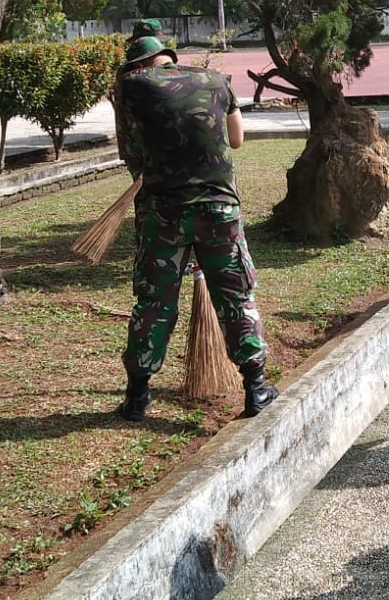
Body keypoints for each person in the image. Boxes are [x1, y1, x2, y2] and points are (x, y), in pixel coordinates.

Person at [113, 34, 278, 421]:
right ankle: (256, 388)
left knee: (154, 302)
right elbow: (236, 139)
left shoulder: (130, 87)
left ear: (138, 66)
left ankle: (137, 396)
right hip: (220, 209)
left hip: (164, 213)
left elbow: (131, 154)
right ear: (169, 58)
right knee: (236, 295)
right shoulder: (216, 80)